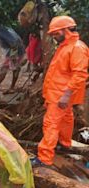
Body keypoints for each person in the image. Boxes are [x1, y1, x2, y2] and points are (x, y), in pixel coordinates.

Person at [34, 16, 89, 166]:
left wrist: (66, 95)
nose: (54, 37)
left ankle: (44, 158)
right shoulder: (65, 46)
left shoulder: (77, 48)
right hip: (58, 93)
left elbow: (80, 74)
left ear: (66, 30)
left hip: (61, 95)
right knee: (66, 119)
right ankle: (64, 144)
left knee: (50, 123)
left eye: (56, 34)